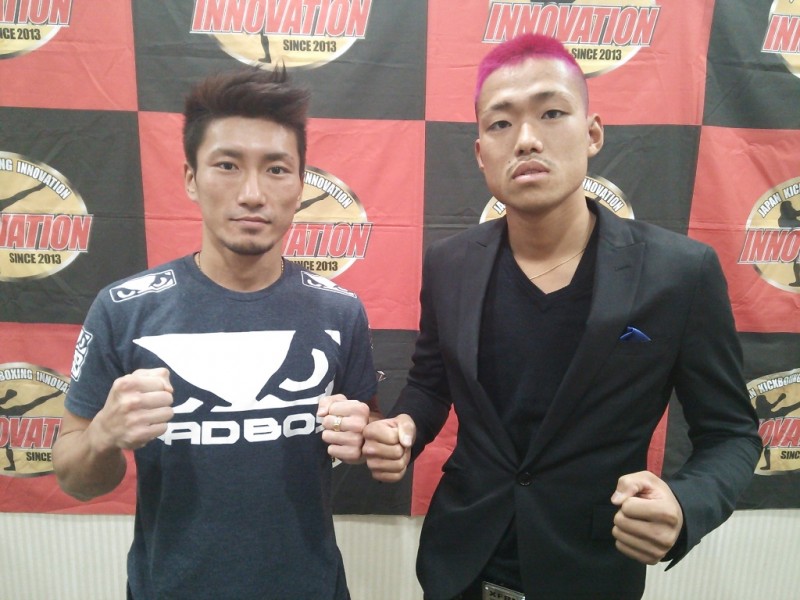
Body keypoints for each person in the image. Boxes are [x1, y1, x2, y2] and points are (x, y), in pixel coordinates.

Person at [362, 34, 761, 600]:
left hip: (590, 568)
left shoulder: (679, 273)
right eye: (501, 123)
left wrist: (685, 502)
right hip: (460, 562)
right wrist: (404, 428)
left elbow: (731, 434)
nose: (526, 138)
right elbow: (431, 384)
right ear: (480, 153)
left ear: (592, 133)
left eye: (551, 113)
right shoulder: (450, 264)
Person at [53, 67, 378, 600]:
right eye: (227, 165)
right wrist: (104, 436)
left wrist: (367, 439)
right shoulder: (124, 310)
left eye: (277, 169)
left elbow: (368, 431)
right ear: (190, 178)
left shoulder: (339, 311)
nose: (252, 193)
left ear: (301, 185)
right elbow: (74, 477)